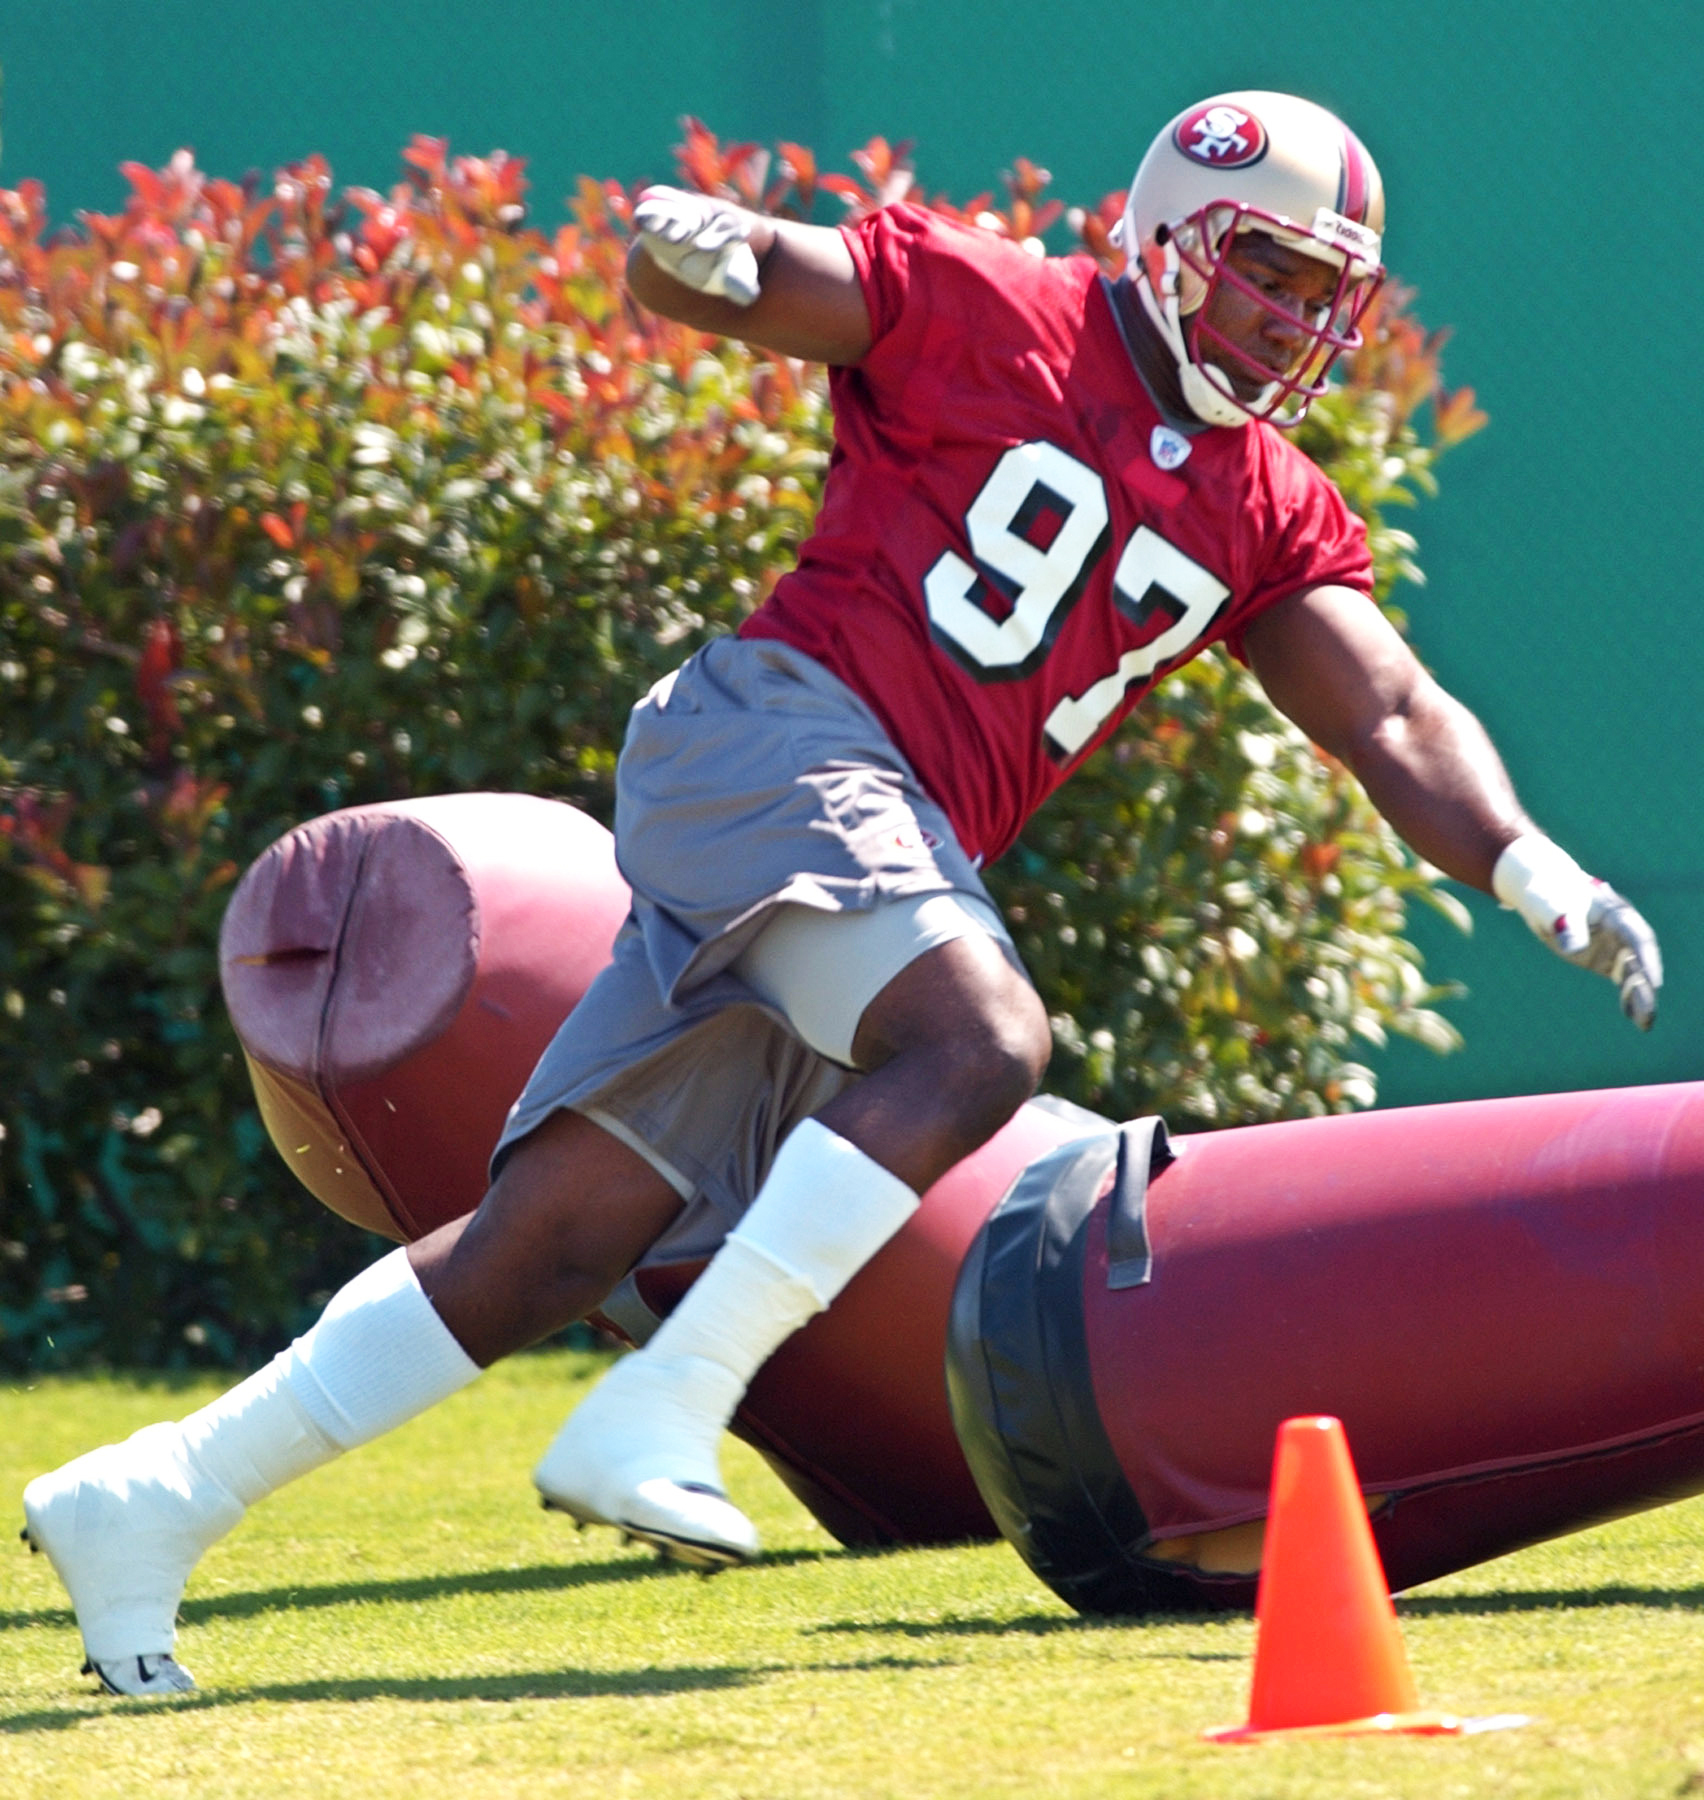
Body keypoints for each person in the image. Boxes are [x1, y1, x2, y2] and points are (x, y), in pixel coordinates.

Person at [22, 90, 1662, 1696]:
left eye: (1323, 294)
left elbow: (1384, 710)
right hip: (777, 741)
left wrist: (1531, 865)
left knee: (550, 1241)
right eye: (1269, 272)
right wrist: (695, 256)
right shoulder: (999, 304)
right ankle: (674, 1401)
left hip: (860, 844)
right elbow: (761, 276)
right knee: (980, 1040)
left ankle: (153, 1496)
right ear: (1173, 236)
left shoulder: (1264, 503)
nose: (1291, 320)